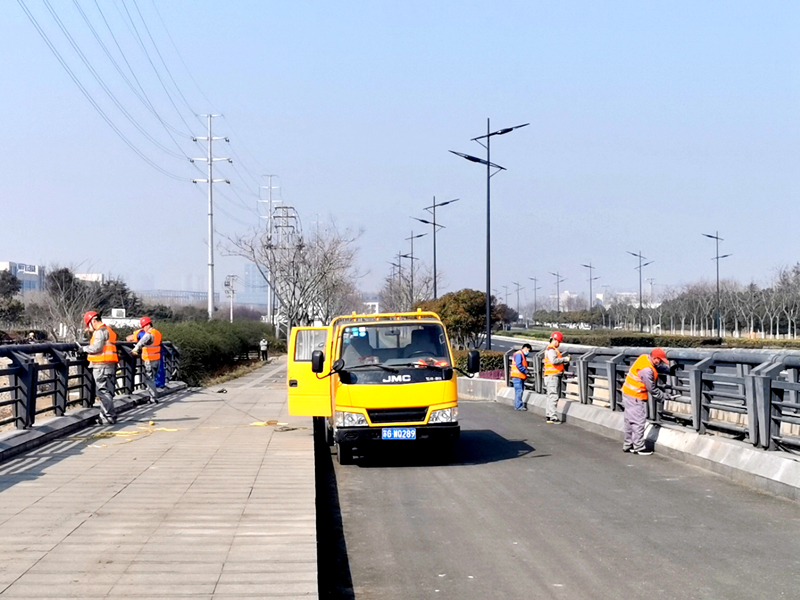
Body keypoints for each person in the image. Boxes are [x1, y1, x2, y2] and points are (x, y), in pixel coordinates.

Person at [621, 347, 671, 455]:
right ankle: (639, 447)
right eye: (660, 360)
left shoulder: (643, 358)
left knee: (629, 421)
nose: (660, 363)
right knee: (638, 421)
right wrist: (663, 397)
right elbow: (651, 388)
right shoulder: (647, 370)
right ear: (655, 358)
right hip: (635, 396)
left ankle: (628, 444)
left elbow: (654, 367)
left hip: (628, 393)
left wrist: (664, 369)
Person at [80, 311, 118, 425]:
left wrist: (84, 349)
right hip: (110, 364)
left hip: (101, 365)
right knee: (108, 391)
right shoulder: (109, 330)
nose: (89, 327)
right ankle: (105, 415)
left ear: (93, 321)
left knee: (102, 391)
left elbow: (97, 347)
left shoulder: (99, 332)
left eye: (88, 324)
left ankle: (108, 416)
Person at [130, 317, 161, 404]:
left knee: (149, 379)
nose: (143, 329)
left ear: (147, 325)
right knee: (153, 379)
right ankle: (153, 397)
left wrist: (135, 349)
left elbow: (141, 342)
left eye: (143, 326)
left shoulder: (149, 334)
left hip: (149, 360)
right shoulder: (157, 333)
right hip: (157, 359)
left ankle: (153, 398)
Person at [543, 331, 571, 423]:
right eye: (558, 341)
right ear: (555, 340)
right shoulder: (552, 350)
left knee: (550, 396)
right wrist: (565, 359)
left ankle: (549, 415)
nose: (559, 344)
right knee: (553, 396)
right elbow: (554, 361)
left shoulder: (549, 349)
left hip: (549, 376)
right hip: (552, 376)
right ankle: (553, 417)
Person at [510, 344, 532, 411]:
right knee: (519, 391)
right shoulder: (519, 354)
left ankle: (518, 405)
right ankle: (518, 406)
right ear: (525, 348)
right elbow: (519, 365)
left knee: (519, 391)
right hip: (517, 376)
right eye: (528, 350)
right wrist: (525, 371)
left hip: (519, 376)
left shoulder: (520, 354)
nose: (528, 352)